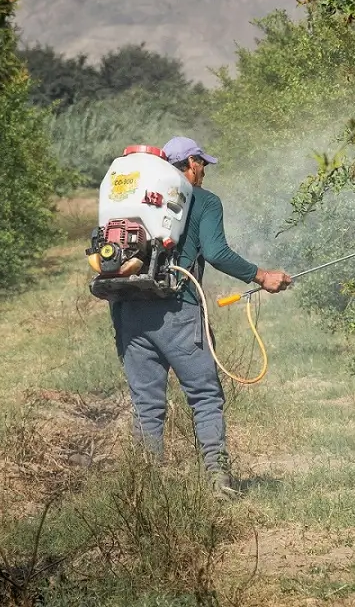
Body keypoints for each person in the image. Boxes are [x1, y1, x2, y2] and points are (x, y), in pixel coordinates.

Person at [111, 136, 291, 497]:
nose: (205, 170)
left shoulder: (132, 199)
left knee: (147, 404)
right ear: (190, 163)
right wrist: (262, 276)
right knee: (205, 396)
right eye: (202, 163)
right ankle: (218, 480)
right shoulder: (204, 201)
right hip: (177, 310)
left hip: (128, 310)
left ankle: (147, 491)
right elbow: (217, 252)